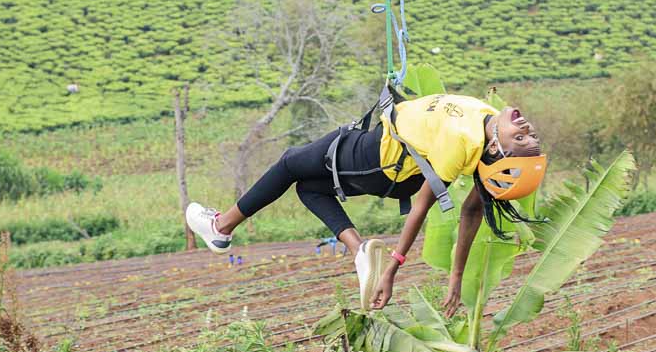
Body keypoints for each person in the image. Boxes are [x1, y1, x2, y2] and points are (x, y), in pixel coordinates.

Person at [187, 92, 545, 314]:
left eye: (521, 137)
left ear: (497, 148)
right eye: (529, 134)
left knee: (290, 162)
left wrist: (392, 270)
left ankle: (221, 227)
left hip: (378, 157)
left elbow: (425, 208)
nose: (526, 127)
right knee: (308, 188)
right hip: (386, 144)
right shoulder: (486, 119)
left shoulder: (462, 143)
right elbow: (472, 207)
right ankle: (358, 250)